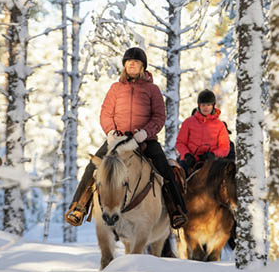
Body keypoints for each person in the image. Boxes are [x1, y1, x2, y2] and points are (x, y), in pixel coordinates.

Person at [65, 47, 188, 229]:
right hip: (118, 140)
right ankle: (79, 207)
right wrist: (110, 133)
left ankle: (176, 210)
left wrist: (145, 133)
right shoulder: (115, 88)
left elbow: (159, 117)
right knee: (93, 167)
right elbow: (106, 113)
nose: (132, 64)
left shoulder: (152, 90)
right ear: (124, 65)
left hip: (144, 140)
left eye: (136, 62)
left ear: (143, 67)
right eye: (129, 61)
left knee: (164, 169)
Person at [176, 89, 230, 174]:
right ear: (199, 106)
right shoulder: (188, 122)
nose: (206, 108)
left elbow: (225, 147)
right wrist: (187, 155)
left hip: (211, 162)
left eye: (208, 105)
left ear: (213, 106)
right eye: (203, 105)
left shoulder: (220, 125)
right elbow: (180, 142)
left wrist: (213, 155)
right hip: (190, 161)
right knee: (178, 178)